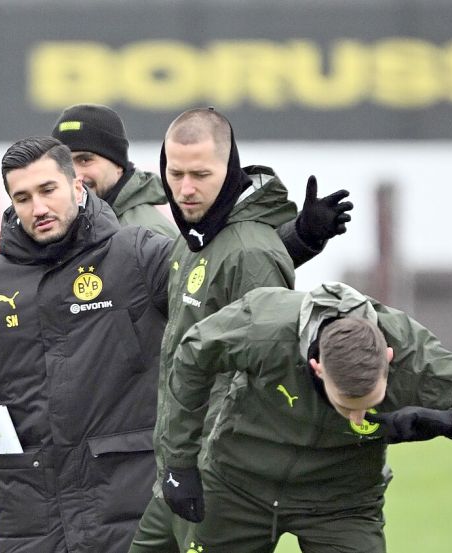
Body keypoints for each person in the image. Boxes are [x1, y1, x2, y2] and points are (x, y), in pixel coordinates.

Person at [0, 135, 349, 553]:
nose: (38, 208)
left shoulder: (135, 255)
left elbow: (217, 282)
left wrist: (297, 238)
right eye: (22, 197)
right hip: (29, 520)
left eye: (48, 190)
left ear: (77, 187)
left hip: (128, 511)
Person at [158, 281, 452, 552]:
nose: (358, 416)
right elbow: (193, 354)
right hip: (239, 485)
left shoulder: (414, 355)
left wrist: (447, 421)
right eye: (346, 404)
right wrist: (181, 463)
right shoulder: (265, 326)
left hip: (342, 502)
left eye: (371, 402)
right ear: (318, 366)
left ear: (388, 360)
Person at [130, 107, 353, 552]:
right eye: (175, 174)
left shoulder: (249, 250)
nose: (186, 188)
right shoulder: (198, 233)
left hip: (217, 466)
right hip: (181, 458)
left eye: (201, 174)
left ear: (229, 170)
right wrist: (301, 238)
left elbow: (256, 372)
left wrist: (194, 466)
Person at [52, 103, 178, 238]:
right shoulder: (57, 227)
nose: (74, 175)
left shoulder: (149, 237)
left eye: (85, 160)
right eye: (64, 163)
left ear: (118, 164)